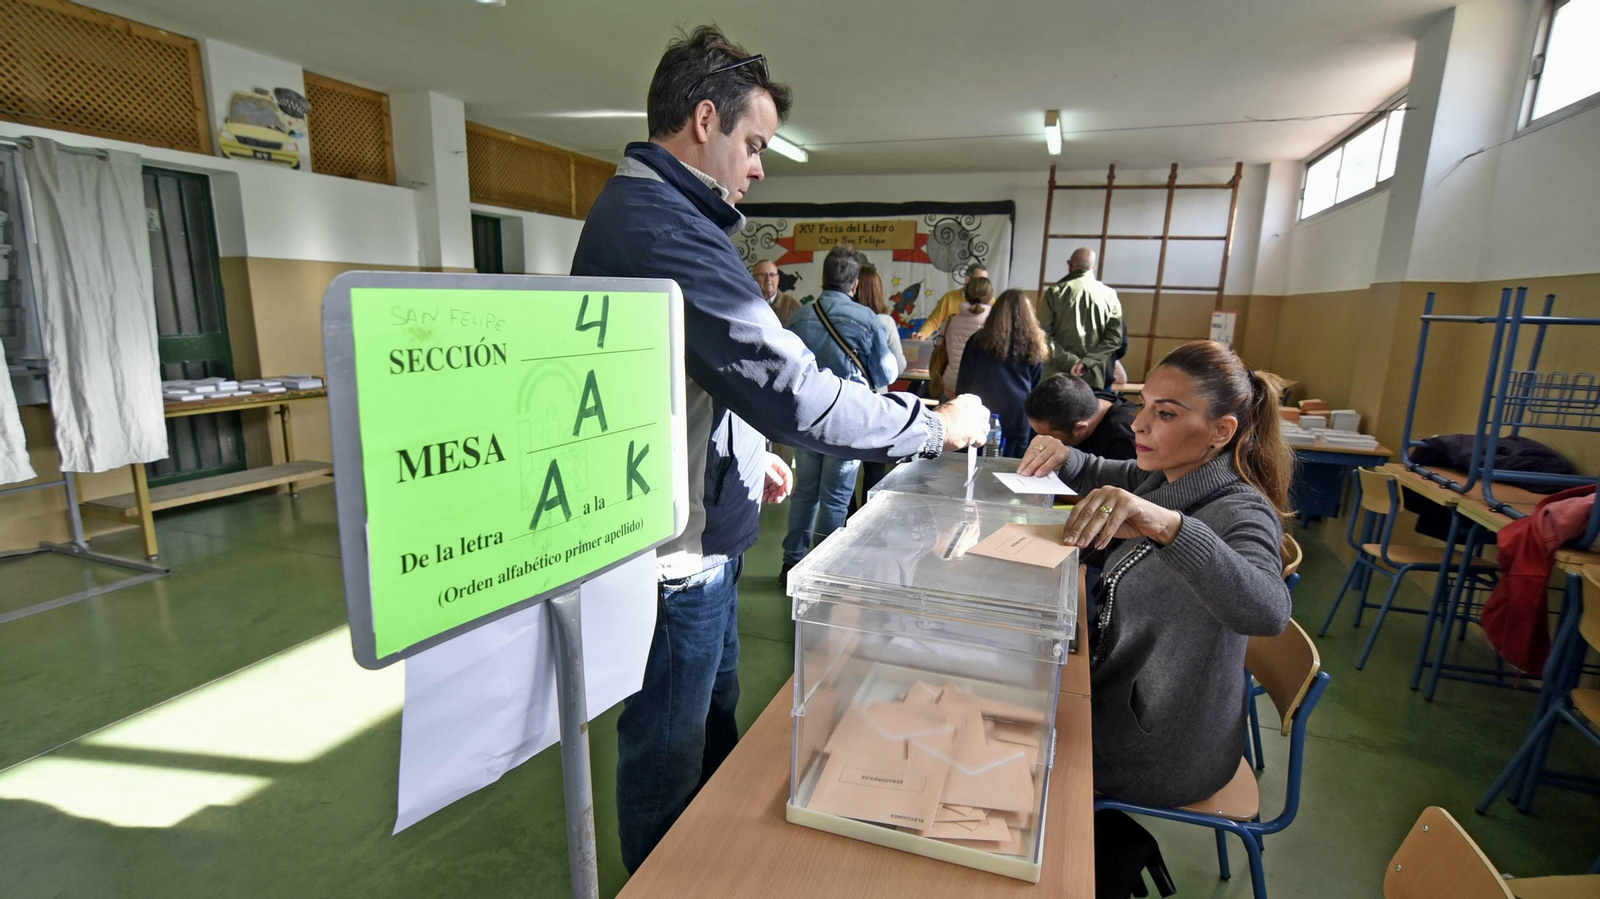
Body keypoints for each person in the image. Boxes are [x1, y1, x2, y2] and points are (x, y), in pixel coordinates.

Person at [568, 25, 991, 872]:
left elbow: (684, 374)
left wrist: (737, 445)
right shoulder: (660, 226)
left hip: (709, 538)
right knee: (667, 752)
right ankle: (666, 880)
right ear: (702, 121)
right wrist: (935, 426)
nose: (759, 166)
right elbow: (793, 390)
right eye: (754, 143)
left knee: (712, 723)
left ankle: (713, 868)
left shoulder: (666, 216)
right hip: (670, 562)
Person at [1016, 340, 1294, 888]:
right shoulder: (1171, 475)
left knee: (1009, 747)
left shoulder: (1240, 508)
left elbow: (1268, 609)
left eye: (1165, 414)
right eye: (1144, 405)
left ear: (1221, 431)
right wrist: (1063, 455)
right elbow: (1101, 467)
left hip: (1168, 745)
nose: (1140, 424)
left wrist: (1169, 528)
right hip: (1133, 701)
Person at [782, 245, 898, 573]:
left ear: (823, 277)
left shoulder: (800, 316)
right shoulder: (867, 319)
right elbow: (886, 373)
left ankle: (790, 560)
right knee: (835, 497)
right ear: (856, 284)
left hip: (804, 419)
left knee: (804, 491)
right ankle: (823, 567)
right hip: (847, 419)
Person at [954, 288, 1046, 457]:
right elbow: (1036, 384)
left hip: (981, 413)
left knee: (975, 465)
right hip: (1019, 415)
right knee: (1014, 468)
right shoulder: (1033, 344)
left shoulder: (977, 340)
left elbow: (963, 382)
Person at [853, 265, 905, 504]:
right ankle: (867, 519)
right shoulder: (885, 321)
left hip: (848, 399)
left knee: (844, 471)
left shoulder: (846, 318)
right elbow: (899, 365)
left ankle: (846, 520)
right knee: (874, 469)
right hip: (877, 401)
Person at [1040, 248, 1124, 388]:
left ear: (1070, 265)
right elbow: (1115, 339)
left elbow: (1042, 335)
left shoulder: (1056, 292)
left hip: (1057, 375)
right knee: (1090, 409)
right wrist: (1087, 362)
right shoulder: (1110, 295)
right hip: (1092, 375)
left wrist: (1070, 361)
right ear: (1093, 267)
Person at [1024, 373, 1139, 461]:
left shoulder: (1125, 442)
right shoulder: (1084, 399)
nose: (1042, 441)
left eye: (1050, 436)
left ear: (1080, 428)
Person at [937, 276, 993, 399]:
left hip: (951, 384)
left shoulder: (952, 320)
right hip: (981, 387)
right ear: (990, 297)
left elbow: (940, 346)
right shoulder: (993, 324)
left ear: (966, 294)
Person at [913, 261, 987, 339]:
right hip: (951, 347)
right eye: (980, 281)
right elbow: (934, 321)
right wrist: (923, 333)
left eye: (986, 281)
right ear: (968, 279)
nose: (984, 285)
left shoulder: (990, 301)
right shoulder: (949, 298)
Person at [753, 258, 799, 327]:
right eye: (762, 275)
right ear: (753, 278)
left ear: (778, 279)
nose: (768, 279)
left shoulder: (793, 305)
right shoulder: (745, 303)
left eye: (772, 275)